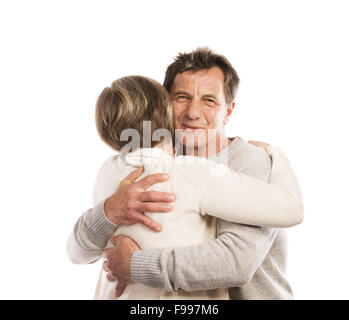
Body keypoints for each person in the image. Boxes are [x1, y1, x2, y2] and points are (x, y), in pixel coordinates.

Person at [67, 48, 303, 299]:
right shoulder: (144, 162)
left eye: (209, 100)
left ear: (229, 111)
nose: (193, 112)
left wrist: (134, 264)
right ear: (165, 103)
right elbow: (78, 252)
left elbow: (236, 262)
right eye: (182, 97)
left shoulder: (249, 162)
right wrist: (107, 212)